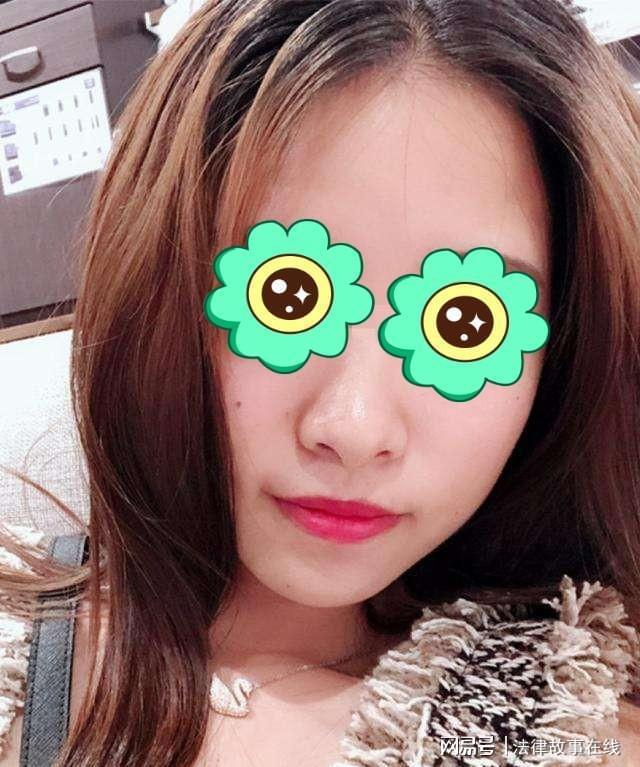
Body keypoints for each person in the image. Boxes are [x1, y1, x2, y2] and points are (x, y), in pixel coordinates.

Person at [1, 0, 640, 765]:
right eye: (287, 295)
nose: (354, 427)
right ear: (158, 284)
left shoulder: (567, 727)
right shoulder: (18, 649)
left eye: (467, 322)